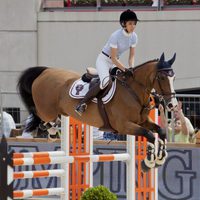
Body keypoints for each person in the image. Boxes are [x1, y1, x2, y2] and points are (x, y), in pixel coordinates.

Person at [75, 9, 139, 116]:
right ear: (124, 24)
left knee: (123, 80)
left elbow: (131, 56)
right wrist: (125, 69)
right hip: (104, 60)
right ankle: (82, 103)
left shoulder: (134, 37)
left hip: (115, 62)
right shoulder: (115, 36)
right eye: (130, 23)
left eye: (134, 23)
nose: (133, 26)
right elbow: (113, 58)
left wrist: (131, 68)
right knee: (105, 82)